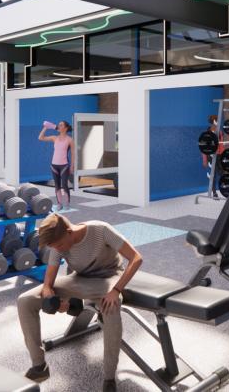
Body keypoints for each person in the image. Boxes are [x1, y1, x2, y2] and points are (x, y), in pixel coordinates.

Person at [17, 214, 143, 391]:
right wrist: (50, 297)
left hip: (108, 279)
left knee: (111, 308)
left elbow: (136, 258)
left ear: (69, 232)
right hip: (79, 279)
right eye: (54, 247)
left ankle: (109, 378)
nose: (58, 249)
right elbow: (48, 283)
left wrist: (116, 290)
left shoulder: (101, 229)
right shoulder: (57, 243)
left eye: (59, 245)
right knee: (25, 300)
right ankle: (39, 367)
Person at [39, 120, 74, 213]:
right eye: (58, 125)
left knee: (65, 185)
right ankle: (59, 204)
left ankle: (67, 204)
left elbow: (74, 154)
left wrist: (72, 166)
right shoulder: (55, 138)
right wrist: (46, 127)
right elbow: (40, 137)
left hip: (64, 165)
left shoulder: (69, 140)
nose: (59, 126)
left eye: (61, 125)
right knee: (57, 185)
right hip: (54, 165)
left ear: (65, 128)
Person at [201, 115, 224, 198]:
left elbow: (221, 146)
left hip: (219, 156)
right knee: (213, 175)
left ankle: (225, 190)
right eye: (216, 120)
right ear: (213, 121)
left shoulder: (220, 132)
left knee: (222, 173)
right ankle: (214, 192)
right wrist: (205, 160)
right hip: (211, 156)